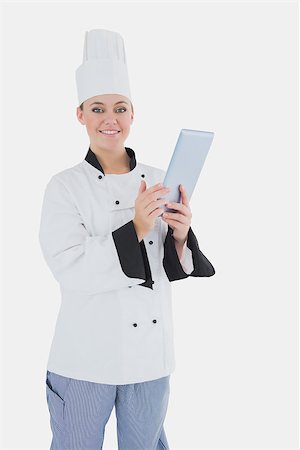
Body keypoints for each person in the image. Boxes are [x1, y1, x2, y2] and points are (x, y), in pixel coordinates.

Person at [39, 29, 215, 450]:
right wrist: (134, 228)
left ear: (133, 114)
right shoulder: (64, 187)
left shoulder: (158, 179)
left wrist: (181, 234)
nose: (109, 119)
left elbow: (169, 267)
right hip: (84, 358)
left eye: (120, 108)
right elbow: (70, 266)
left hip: (148, 358)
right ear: (80, 114)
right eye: (97, 108)